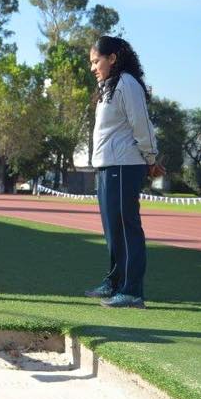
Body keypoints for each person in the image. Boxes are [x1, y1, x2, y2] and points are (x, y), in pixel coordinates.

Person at [84, 36, 163, 309]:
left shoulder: (127, 84)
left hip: (124, 165)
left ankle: (131, 291)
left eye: (97, 61)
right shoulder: (108, 88)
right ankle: (115, 282)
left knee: (126, 228)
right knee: (112, 230)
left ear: (113, 58)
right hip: (107, 165)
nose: (93, 67)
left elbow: (142, 125)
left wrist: (151, 157)